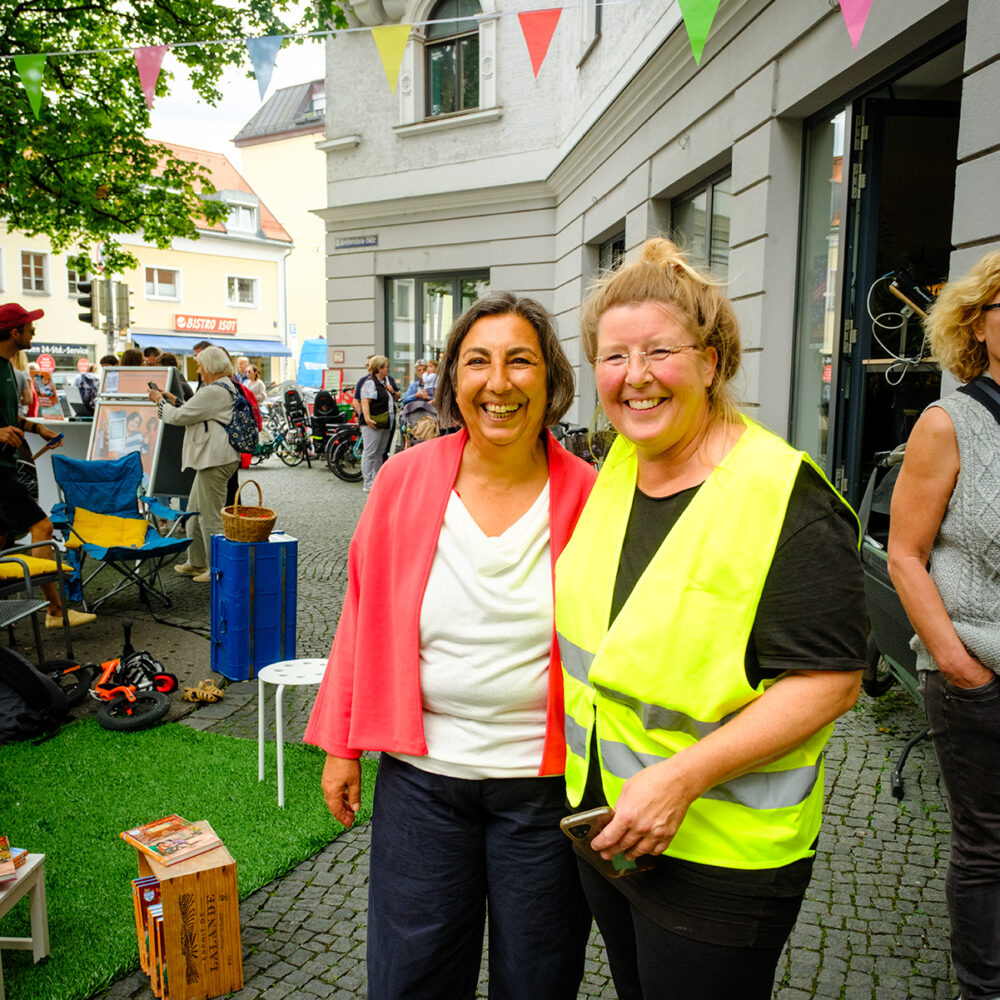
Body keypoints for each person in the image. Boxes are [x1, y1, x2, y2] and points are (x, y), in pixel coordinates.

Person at [554, 239, 867, 1000]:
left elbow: (830, 682)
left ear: (712, 360)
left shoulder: (782, 494)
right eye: (614, 355)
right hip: (609, 825)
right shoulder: (624, 463)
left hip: (722, 855)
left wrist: (681, 779)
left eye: (660, 351)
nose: (635, 377)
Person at [305, 291, 596, 1000]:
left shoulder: (592, 494)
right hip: (423, 784)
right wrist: (344, 745)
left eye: (520, 361)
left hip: (548, 788)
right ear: (453, 383)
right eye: (478, 362)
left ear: (551, 379)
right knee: (414, 975)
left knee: (540, 976)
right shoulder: (404, 479)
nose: (498, 383)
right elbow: (361, 610)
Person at [887, 250, 1000, 1000]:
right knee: (989, 846)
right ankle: (982, 987)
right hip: (980, 675)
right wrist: (961, 665)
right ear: (979, 324)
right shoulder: (950, 422)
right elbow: (904, 553)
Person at [0, 303, 96, 627]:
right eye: (29, 328)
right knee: (41, 527)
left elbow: (9, 416)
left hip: (6, 465)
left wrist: (38, 429)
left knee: (1, 537)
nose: (34, 333)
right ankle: (55, 611)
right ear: (15, 332)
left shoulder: (9, 369)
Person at [147, 346, 239, 584]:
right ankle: (197, 562)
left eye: (199, 365)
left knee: (209, 518)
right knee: (196, 512)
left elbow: (178, 417)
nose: (198, 370)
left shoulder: (215, 390)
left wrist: (159, 402)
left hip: (215, 459)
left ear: (209, 367)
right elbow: (193, 410)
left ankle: (217, 569)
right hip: (213, 457)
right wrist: (174, 400)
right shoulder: (222, 387)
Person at [357, 355, 394, 492]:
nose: (387, 369)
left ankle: (377, 479)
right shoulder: (370, 382)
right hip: (373, 422)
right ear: (379, 368)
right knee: (370, 452)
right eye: (385, 367)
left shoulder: (382, 383)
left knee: (379, 453)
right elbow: (365, 401)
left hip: (383, 423)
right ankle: (368, 483)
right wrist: (367, 418)